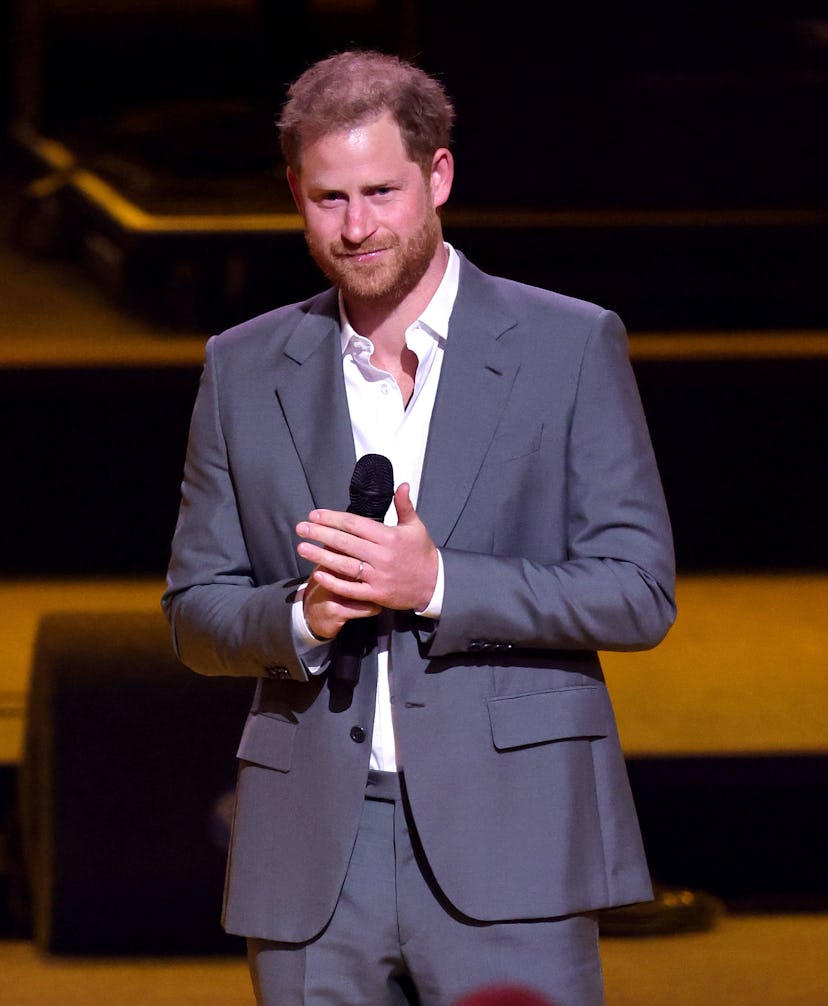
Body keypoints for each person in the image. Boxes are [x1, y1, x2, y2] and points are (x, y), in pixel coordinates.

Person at [162, 50, 676, 1006]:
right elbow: (195, 611)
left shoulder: (566, 344)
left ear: (438, 176)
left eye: (382, 191)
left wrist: (437, 584)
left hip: (513, 840)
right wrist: (302, 618)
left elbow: (639, 590)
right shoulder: (243, 367)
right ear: (293, 194)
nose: (357, 228)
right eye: (327, 199)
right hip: (313, 850)